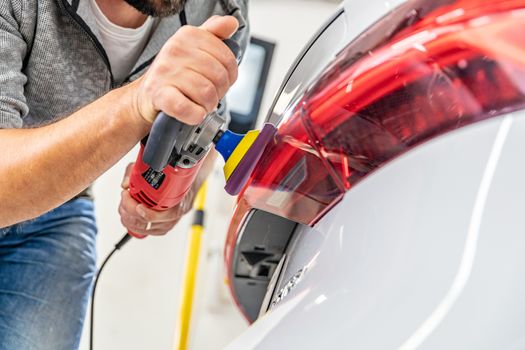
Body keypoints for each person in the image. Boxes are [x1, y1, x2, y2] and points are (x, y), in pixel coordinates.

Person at [0, 0, 248, 348]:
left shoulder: (221, 11)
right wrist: (137, 103)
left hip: (61, 209)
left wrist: (180, 192)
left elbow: (205, 122)